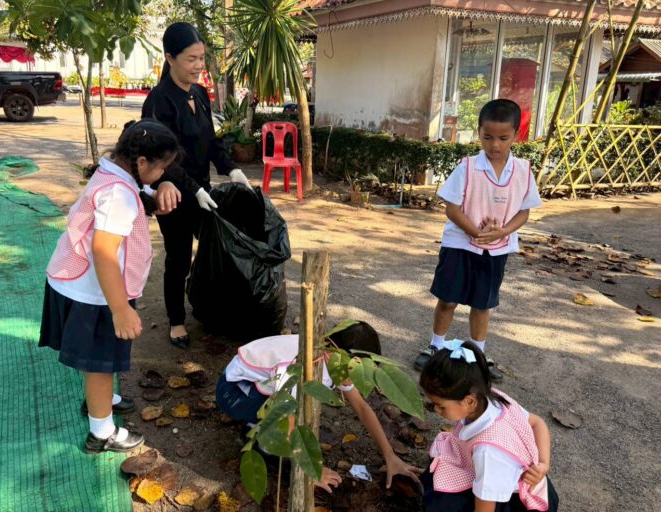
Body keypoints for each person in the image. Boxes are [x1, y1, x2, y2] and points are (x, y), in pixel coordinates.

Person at [39, 120, 180, 454]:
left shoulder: (113, 174)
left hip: (78, 282)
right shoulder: (119, 196)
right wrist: (120, 310)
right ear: (141, 162)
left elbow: (134, 195)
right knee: (100, 365)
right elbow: (103, 251)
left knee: (98, 361)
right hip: (95, 295)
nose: (162, 173)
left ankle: (99, 401)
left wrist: (158, 188)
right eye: (161, 168)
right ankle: (102, 432)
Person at [413, 99, 542, 382]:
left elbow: (524, 212)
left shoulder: (523, 171)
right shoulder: (468, 167)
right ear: (479, 132)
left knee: (483, 304)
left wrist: (503, 231)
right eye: (487, 137)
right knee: (448, 299)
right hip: (460, 244)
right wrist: (474, 231)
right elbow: (452, 208)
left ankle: (478, 353)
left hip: (497, 249)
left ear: (516, 135)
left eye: (503, 138)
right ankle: (435, 345)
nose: (494, 145)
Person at [141, 22, 251, 349]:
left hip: (202, 190)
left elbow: (211, 141)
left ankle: (212, 306)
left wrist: (231, 169)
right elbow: (165, 158)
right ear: (170, 58)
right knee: (178, 259)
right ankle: (176, 321)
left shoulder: (200, 94)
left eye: (201, 58)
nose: (198, 65)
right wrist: (195, 190)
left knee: (218, 249)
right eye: (191, 59)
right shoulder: (159, 102)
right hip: (172, 193)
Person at [215, 321, 422, 492]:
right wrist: (311, 471)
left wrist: (390, 455)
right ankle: (263, 442)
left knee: (298, 406)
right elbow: (287, 416)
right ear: (337, 355)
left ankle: (259, 425)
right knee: (290, 416)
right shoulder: (303, 367)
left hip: (257, 383)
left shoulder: (334, 358)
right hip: (233, 392)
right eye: (355, 370)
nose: (355, 379)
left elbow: (361, 407)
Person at [419, 340, 559, 511]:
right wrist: (543, 464)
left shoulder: (487, 452)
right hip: (515, 482)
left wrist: (543, 465)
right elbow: (538, 423)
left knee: (440, 502)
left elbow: (485, 508)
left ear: (469, 401)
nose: (436, 410)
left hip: (513, 501)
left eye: (441, 406)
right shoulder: (492, 398)